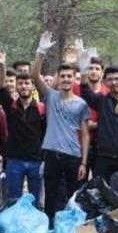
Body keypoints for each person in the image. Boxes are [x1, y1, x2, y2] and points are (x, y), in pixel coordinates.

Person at [33, 35, 91, 219]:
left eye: (69, 76)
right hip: (52, 154)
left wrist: (84, 162)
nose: (66, 79)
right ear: (59, 78)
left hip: (73, 156)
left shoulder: (81, 104)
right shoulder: (51, 96)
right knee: (50, 196)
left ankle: (71, 230)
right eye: (63, 76)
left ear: (75, 79)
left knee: (73, 197)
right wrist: (41, 53)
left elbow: (86, 134)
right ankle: (50, 230)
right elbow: (35, 76)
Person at [80, 63, 118, 181]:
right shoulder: (101, 100)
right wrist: (83, 71)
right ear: (104, 82)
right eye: (110, 79)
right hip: (103, 158)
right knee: (100, 194)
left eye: (117, 79)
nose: (114, 82)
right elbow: (86, 93)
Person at [0, 68, 45, 206]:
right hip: (14, 161)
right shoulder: (10, 106)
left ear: (32, 86)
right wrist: (1, 64)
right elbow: (0, 85)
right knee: (13, 201)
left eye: (27, 83)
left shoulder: (41, 109)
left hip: (36, 161)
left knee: (35, 201)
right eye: (20, 83)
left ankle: (35, 227)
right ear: (16, 86)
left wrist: (44, 159)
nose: (24, 86)